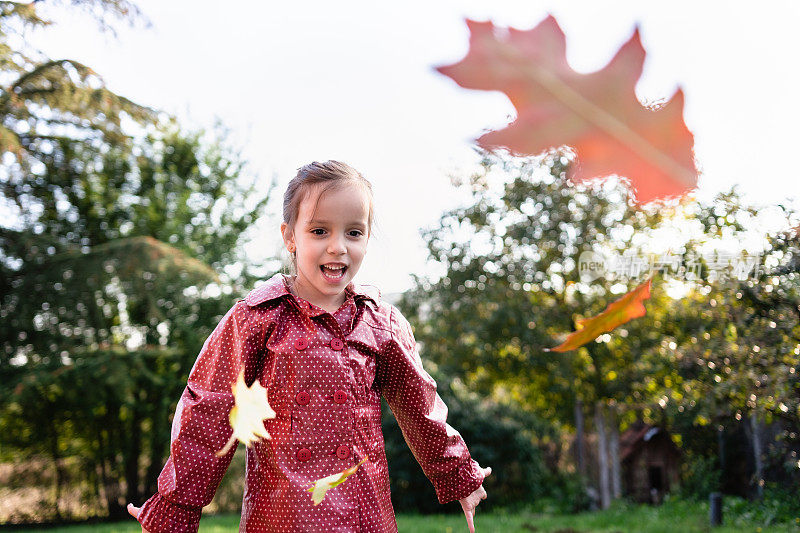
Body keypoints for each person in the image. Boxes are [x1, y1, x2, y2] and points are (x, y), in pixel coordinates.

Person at [127, 160, 491, 532]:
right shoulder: (257, 318)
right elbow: (209, 406)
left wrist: (460, 475)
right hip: (282, 513)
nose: (338, 247)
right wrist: (177, 504)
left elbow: (420, 406)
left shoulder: (379, 322)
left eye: (354, 232)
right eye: (319, 231)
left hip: (363, 514)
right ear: (291, 237)